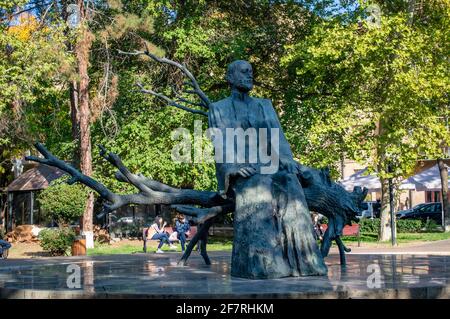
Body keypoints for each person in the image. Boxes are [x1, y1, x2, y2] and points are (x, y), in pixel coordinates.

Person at [207, 60, 327, 278]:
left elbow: (277, 137)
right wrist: (232, 168)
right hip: (242, 172)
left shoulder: (264, 105)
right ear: (230, 78)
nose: (249, 76)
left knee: (291, 183)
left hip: (269, 165)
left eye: (251, 72)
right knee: (259, 186)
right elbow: (220, 144)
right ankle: (265, 262)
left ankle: (305, 260)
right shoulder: (218, 108)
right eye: (244, 72)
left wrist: (286, 159)